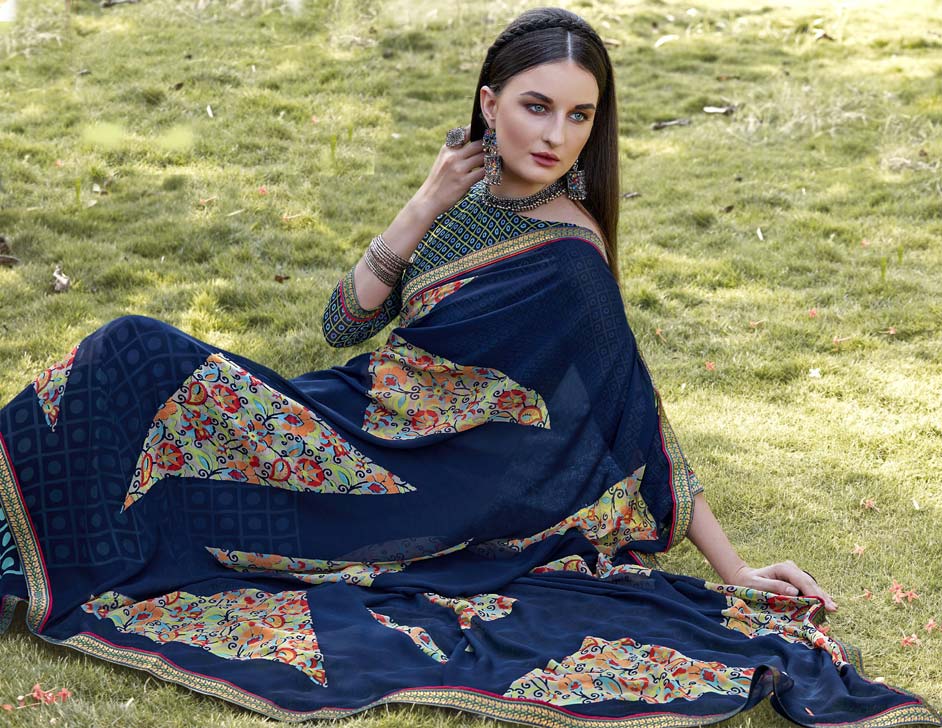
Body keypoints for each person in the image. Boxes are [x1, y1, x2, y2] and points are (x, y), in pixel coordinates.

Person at [0, 7, 937, 727]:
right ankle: (23, 536)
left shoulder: (569, 259)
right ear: (489, 103)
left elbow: (638, 422)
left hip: (423, 484)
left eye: (579, 116)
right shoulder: (462, 198)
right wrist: (423, 201)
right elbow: (341, 323)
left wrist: (732, 567)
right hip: (355, 415)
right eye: (536, 106)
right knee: (134, 358)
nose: (556, 135)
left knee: (136, 354)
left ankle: (27, 544)